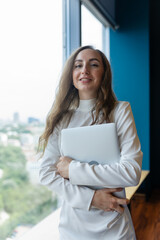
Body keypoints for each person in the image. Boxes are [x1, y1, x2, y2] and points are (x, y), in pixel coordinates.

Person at [38, 45, 143, 240]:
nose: (84, 70)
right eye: (78, 65)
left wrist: (73, 170)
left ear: (104, 74)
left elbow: (131, 172)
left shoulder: (120, 111)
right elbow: (46, 173)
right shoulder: (61, 118)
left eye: (93, 64)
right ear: (72, 74)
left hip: (115, 228)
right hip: (73, 230)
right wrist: (92, 199)